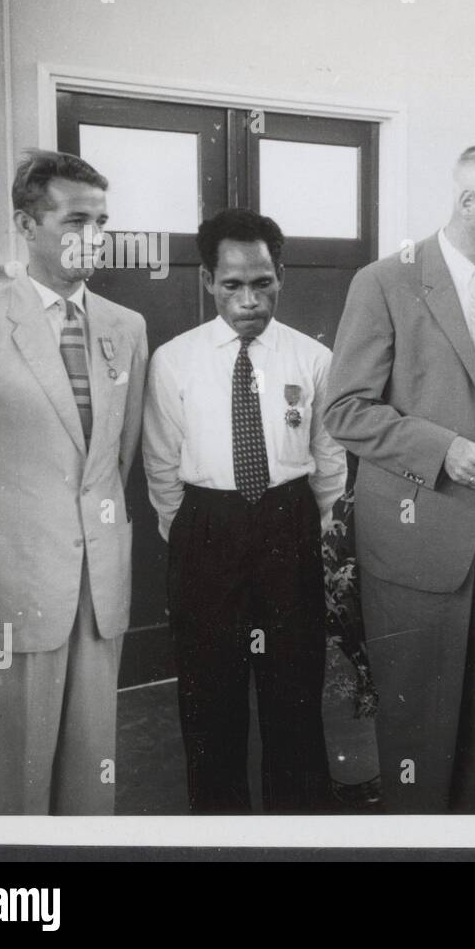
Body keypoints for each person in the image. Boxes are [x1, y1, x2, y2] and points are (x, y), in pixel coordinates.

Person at [324, 144, 475, 814]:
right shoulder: (384, 282)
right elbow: (345, 410)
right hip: (413, 537)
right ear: (467, 202)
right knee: (416, 719)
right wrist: (442, 449)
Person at [0, 150, 148, 814]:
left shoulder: (127, 328)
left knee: (92, 779)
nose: (95, 236)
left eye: (102, 222)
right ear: (27, 226)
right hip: (12, 584)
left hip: (98, 586)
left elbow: (117, 463)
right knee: (16, 782)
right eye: (75, 221)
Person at [142, 208, 346, 812]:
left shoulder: (312, 358)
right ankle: (219, 825)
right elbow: (161, 459)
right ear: (208, 280)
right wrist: (190, 531)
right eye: (232, 284)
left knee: (295, 686)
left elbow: (328, 454)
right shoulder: (174, 359)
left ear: (281, 276)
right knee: (209, 691)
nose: (249, 300)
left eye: (262, 283)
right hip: (206, 527)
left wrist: (317, 526)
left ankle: (299, 823)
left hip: (289, 522)